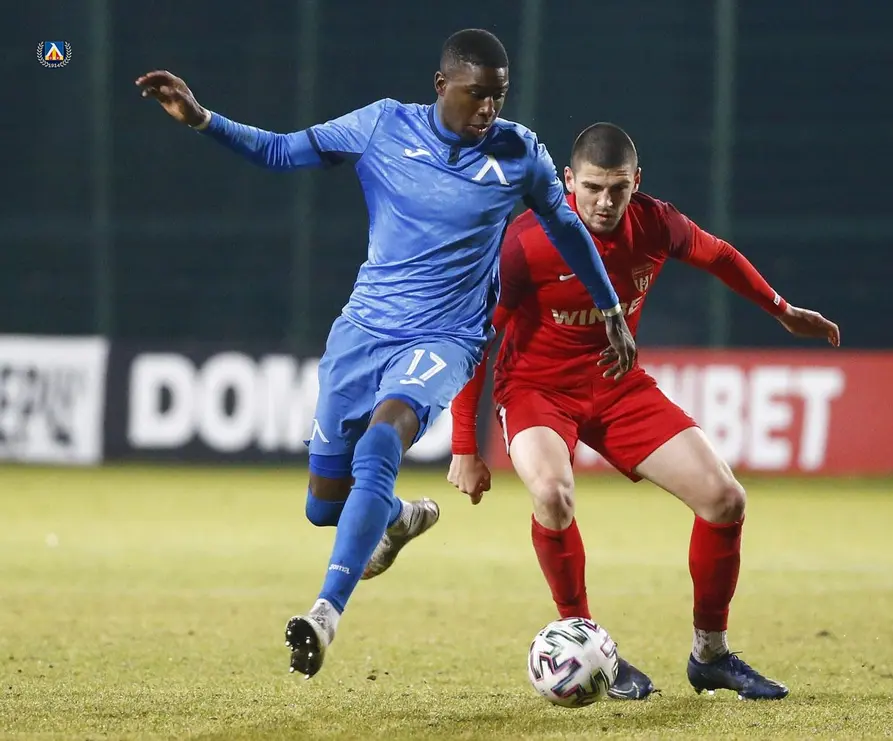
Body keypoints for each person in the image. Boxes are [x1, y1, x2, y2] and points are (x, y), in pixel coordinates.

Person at [136, 30, 638, 680]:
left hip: (447, 338)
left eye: (499, 95)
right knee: (323, 504)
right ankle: (397, 518)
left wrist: (610, 309)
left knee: (381, 443)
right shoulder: (381, 126)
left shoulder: (519, 153)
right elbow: (284, 151)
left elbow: (565, 225)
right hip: (362, 333)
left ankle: (325, 613)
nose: (489, 108)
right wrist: (203, 119)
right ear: (441, 86)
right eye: (476, 94)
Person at [447, 122, 840, 700]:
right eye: (592, 188)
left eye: (618, 189)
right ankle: (587, 641)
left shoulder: (655, 224)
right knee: (552, 495)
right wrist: (464, 444)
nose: (605, 202)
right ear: (567, 181)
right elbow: (474, 338)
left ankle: (711, 655)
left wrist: (781, 310)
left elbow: (718, 255)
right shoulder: (526, 242)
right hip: (535, 390)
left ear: (637, 183)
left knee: (725, 498)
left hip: (618, 386)